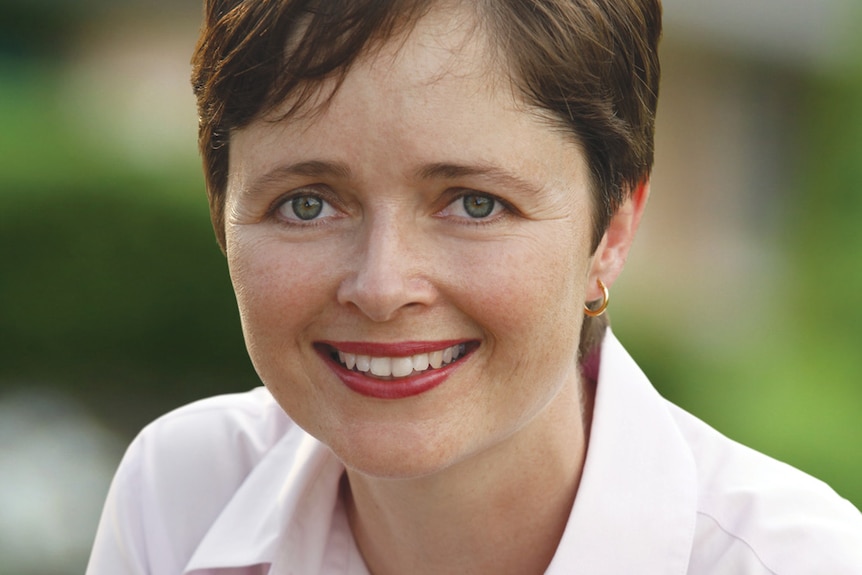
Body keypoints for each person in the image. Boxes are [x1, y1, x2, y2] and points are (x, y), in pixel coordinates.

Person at [87, 1, 862, 573]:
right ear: (223, 213)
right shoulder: (179, 497)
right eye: (308, 202)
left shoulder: (796, 560)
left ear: (614, 229)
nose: (382, 286)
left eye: (475, 203)